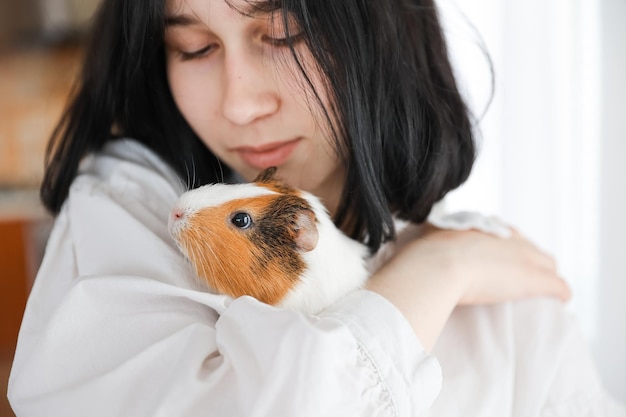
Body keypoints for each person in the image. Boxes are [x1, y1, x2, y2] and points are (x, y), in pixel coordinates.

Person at [8, 0, 625, 415]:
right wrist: (436, 275)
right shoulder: (124, 210)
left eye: (282, 34)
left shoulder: (508, 297)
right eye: (194, 47)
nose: (240, 105)